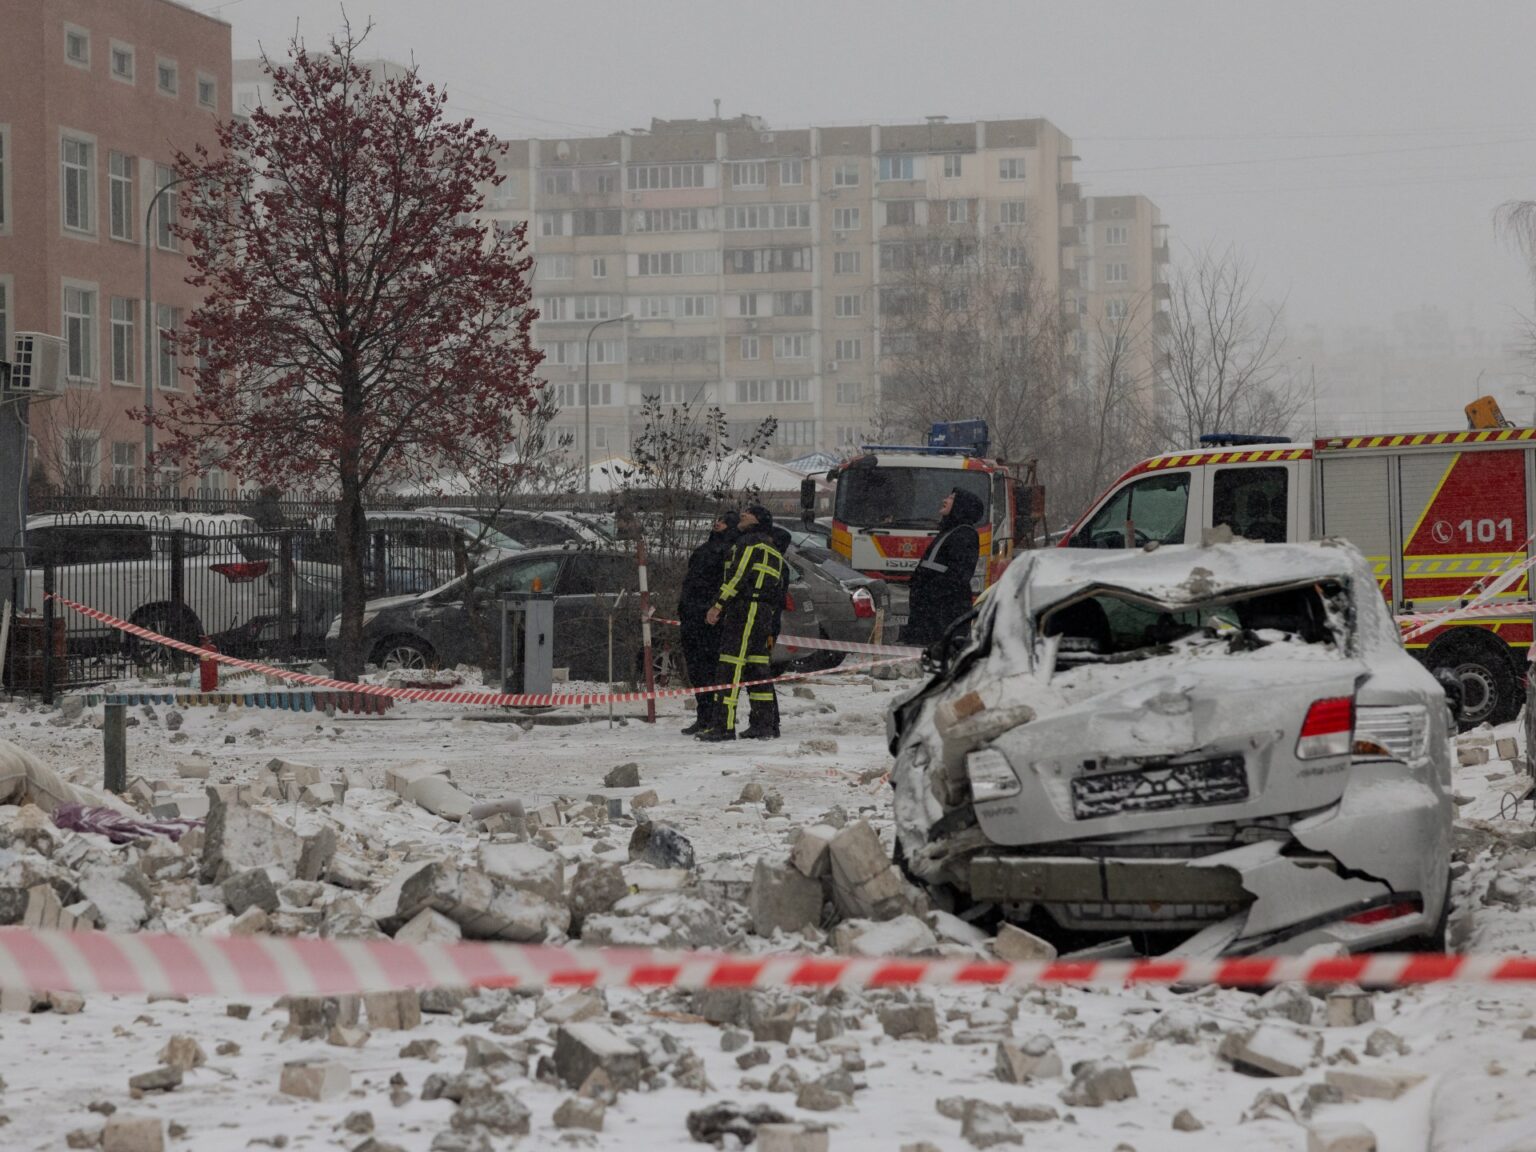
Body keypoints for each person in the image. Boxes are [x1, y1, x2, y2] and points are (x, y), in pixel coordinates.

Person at [699, 503, 789, 741]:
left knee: (730, 665)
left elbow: (738, 576)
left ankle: (723, 726)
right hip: (763, 614)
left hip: (745, 610)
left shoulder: (749, 543)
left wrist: (718, 604)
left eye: (748, 513)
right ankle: (764, 724)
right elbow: (778, 588)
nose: (742, 514)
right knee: (757, 668)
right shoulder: (774, 550)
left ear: (757, 520)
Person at [677, 511, 738, 736]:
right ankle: (703, 716)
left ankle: (715, 718)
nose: (718, 523)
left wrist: (714, 608)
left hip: (711, 619)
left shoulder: (731, 551)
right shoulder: (704, 549)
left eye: (724, 521)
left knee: (711, 670)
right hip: (691, 616)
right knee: (697, 670)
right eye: (718, 520)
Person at [903, 487, 984, 648]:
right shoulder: (950, 532)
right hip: (931, 612)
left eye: (951, 498)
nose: (945, 500)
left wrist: (931, 591)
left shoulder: (965, 534)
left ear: (961, 505)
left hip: (942, 614)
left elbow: (959, 575)